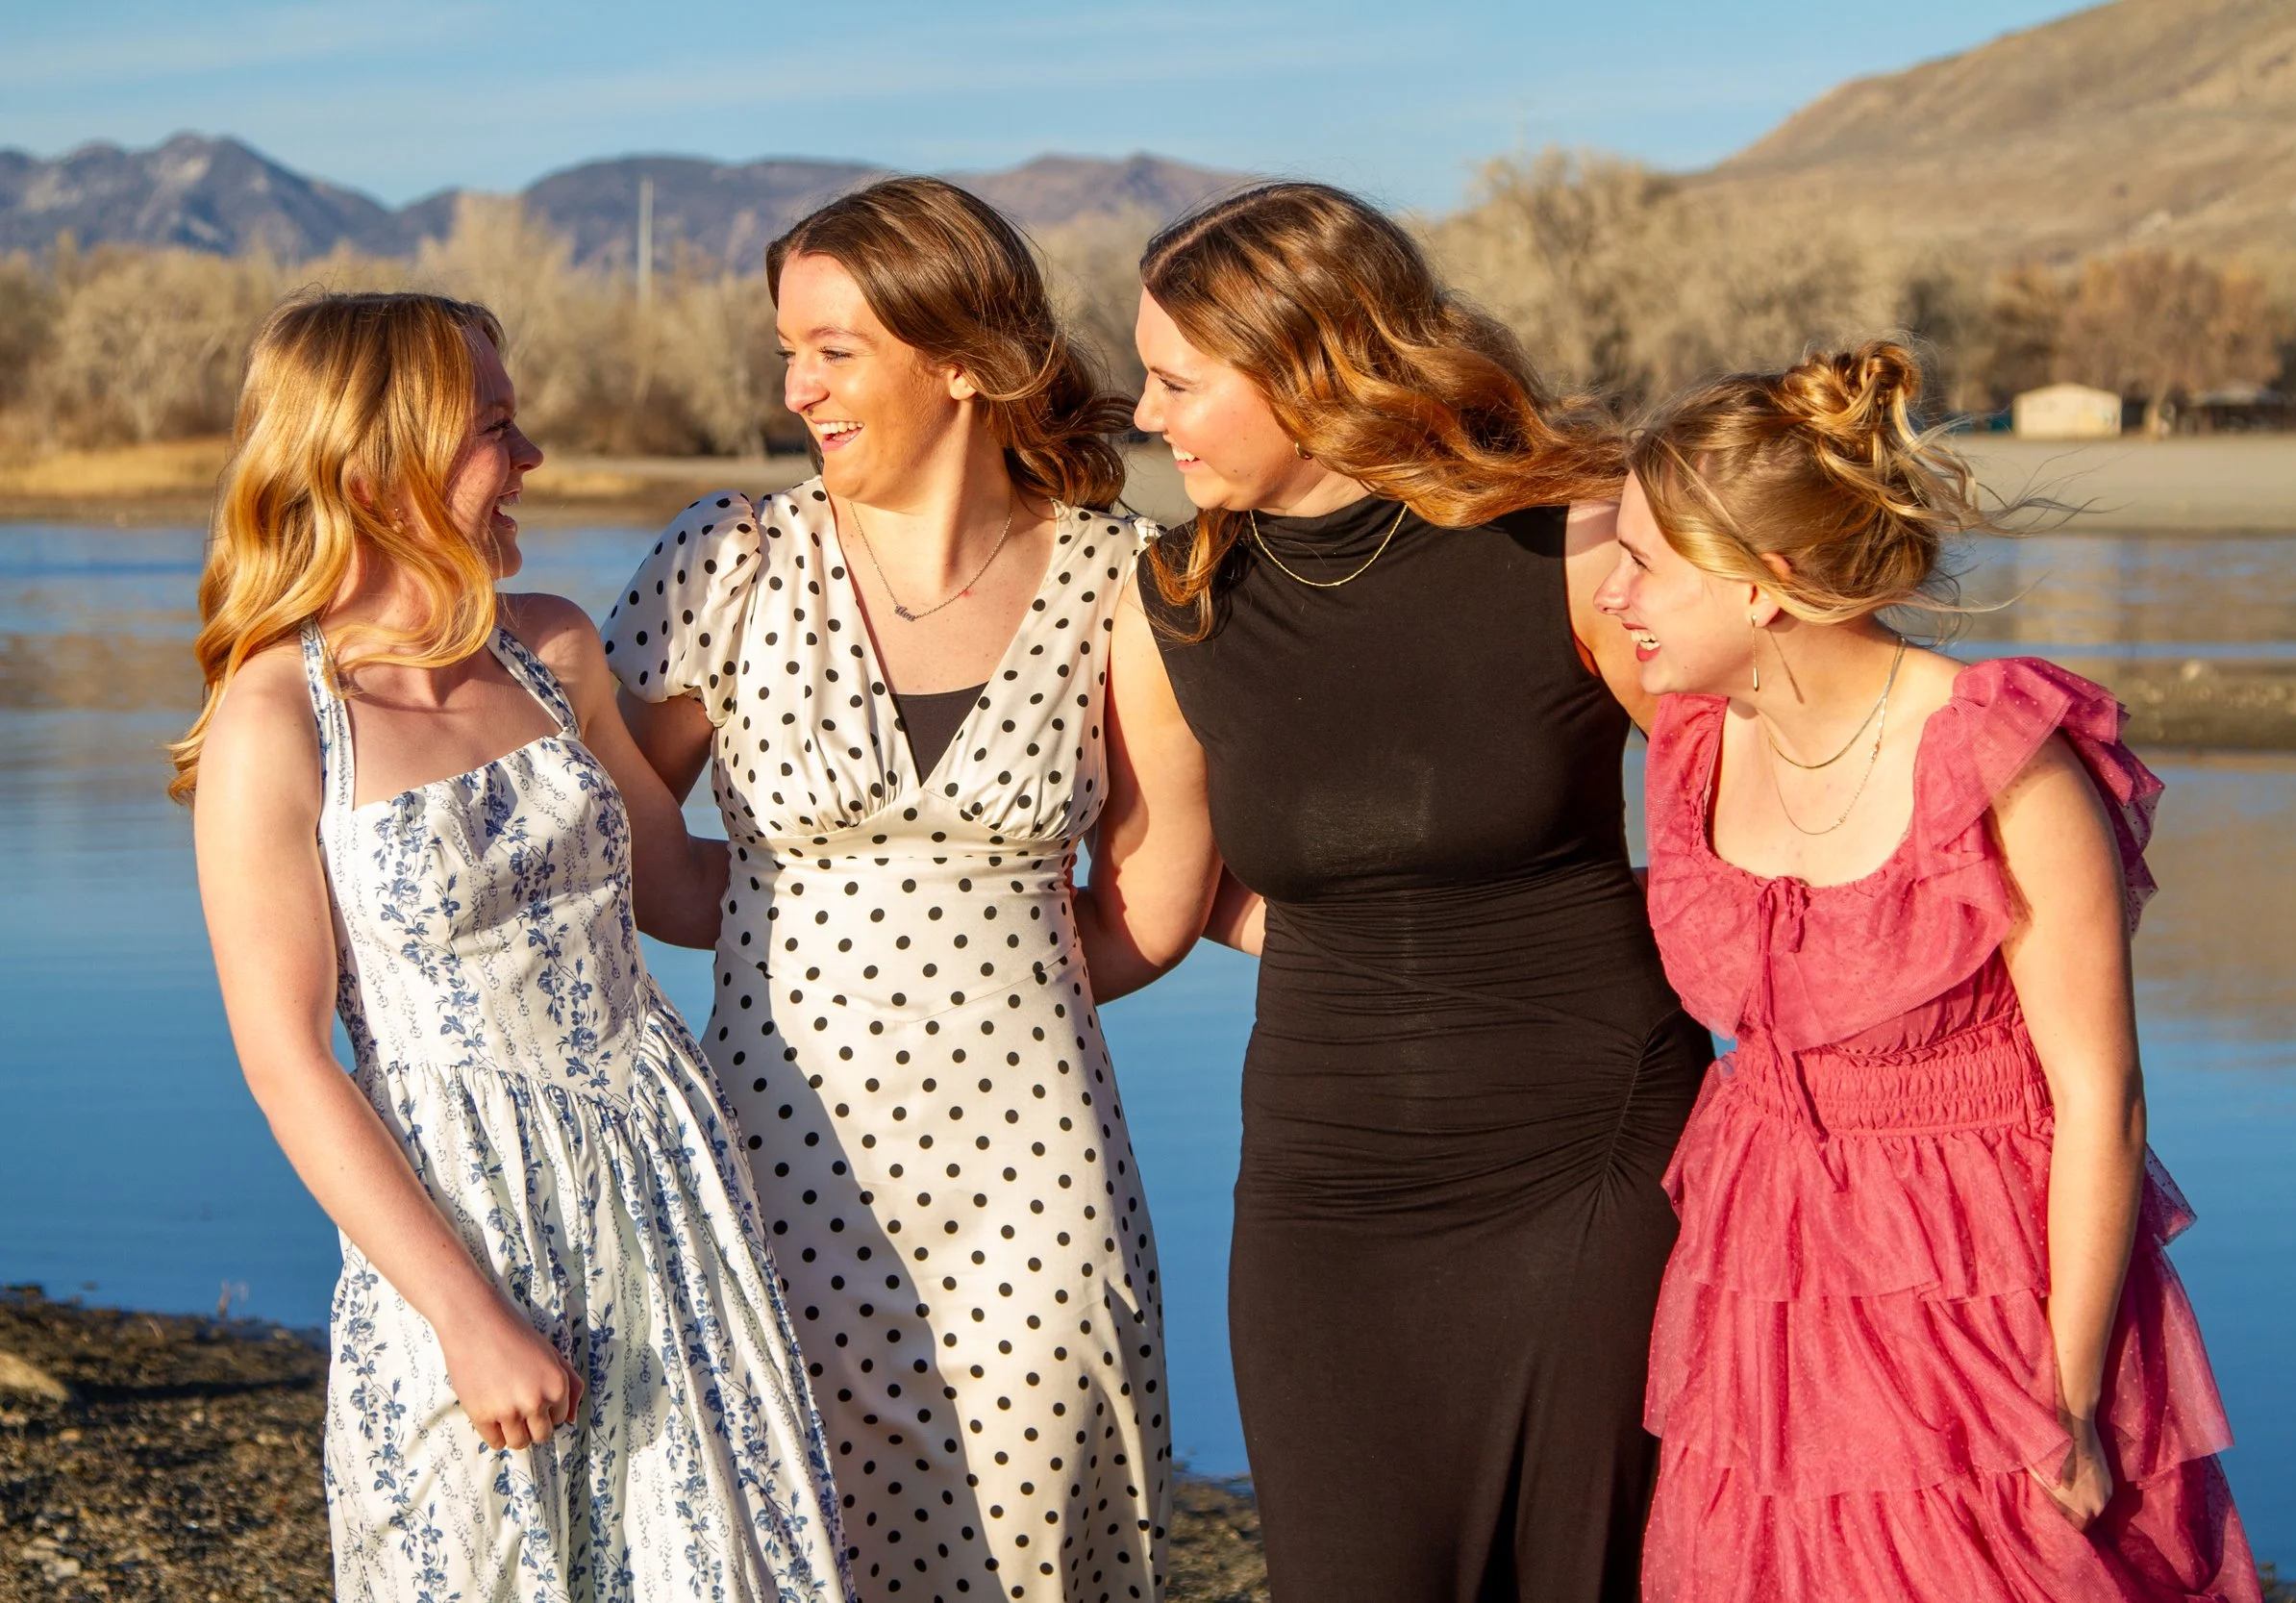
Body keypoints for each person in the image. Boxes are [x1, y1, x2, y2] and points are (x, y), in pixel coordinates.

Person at [1078, 181, 1714, 1602]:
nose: (1146, 414)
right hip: (1324, 1187)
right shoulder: (1175, 600)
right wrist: (885, 941)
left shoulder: (1576, 543)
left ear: (1310, 369)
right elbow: (1152, 906)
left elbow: (1763, 803)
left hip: (1589, 1158)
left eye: (1181, 380)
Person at [177, 292, 851, 1599]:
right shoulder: (277, 718)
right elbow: (285, 1059)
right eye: (496, 427)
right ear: (380, 466)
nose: (530, 458)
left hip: (664, 1180)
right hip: (457, 1221)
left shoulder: (549, 649)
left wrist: (911, 885)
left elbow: (681, 887)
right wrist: (466, 1318)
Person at [603, 178, 1195, 1603]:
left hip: (1033, 1189)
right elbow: (631, 858)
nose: (798, 385)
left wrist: (980, 980)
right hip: (772, 1161)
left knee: (1035, 1547)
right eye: (789, 350)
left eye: (833, 348)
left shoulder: (1129, 582)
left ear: (962, 361)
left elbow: (1153, 902)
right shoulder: (728, 560)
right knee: (788, 1546)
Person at [1598, 339, 2259, 1601]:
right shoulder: (1688, 735)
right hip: (1763, 1267)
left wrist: (2063, 1397)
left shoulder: (2005, 765)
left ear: (1763, 584)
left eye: (1643, 560)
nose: (1613, 590)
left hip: (1974, 1281)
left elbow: (2100, 1103)